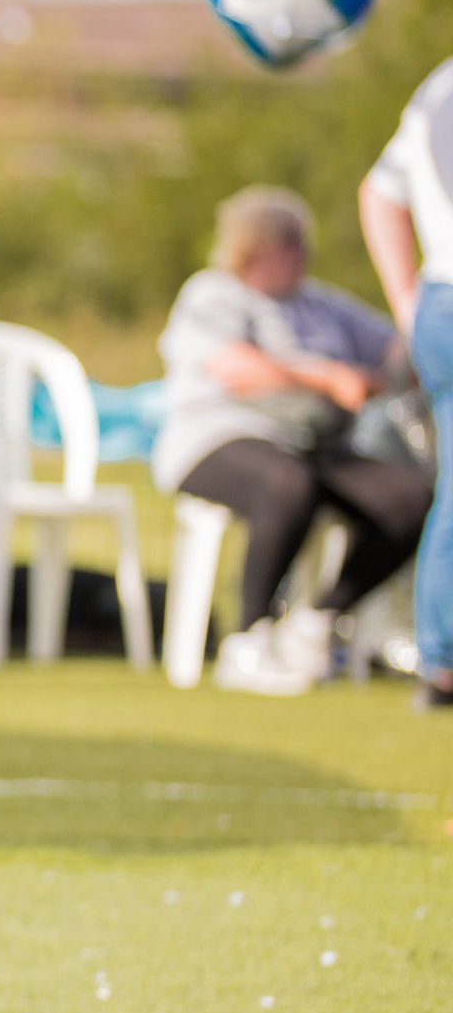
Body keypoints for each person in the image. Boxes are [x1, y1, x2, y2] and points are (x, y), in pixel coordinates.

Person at [159, 186, 429, 696]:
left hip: (314, 447)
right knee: (287, 481)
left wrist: (409, 357)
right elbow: (234, 369)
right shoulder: (215, 293)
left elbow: (394, 350)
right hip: (219, 438)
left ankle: (316, 621)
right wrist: (325, 378)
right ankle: (248, 637)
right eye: (292, 242)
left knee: (409, 498)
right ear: (255, 246)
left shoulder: (322, 304)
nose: (304, 253)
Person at [361, 61, 453, 709]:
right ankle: (443, 655)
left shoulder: (439, 84)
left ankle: (442, 657)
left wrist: (408, 302)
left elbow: (380, 192)